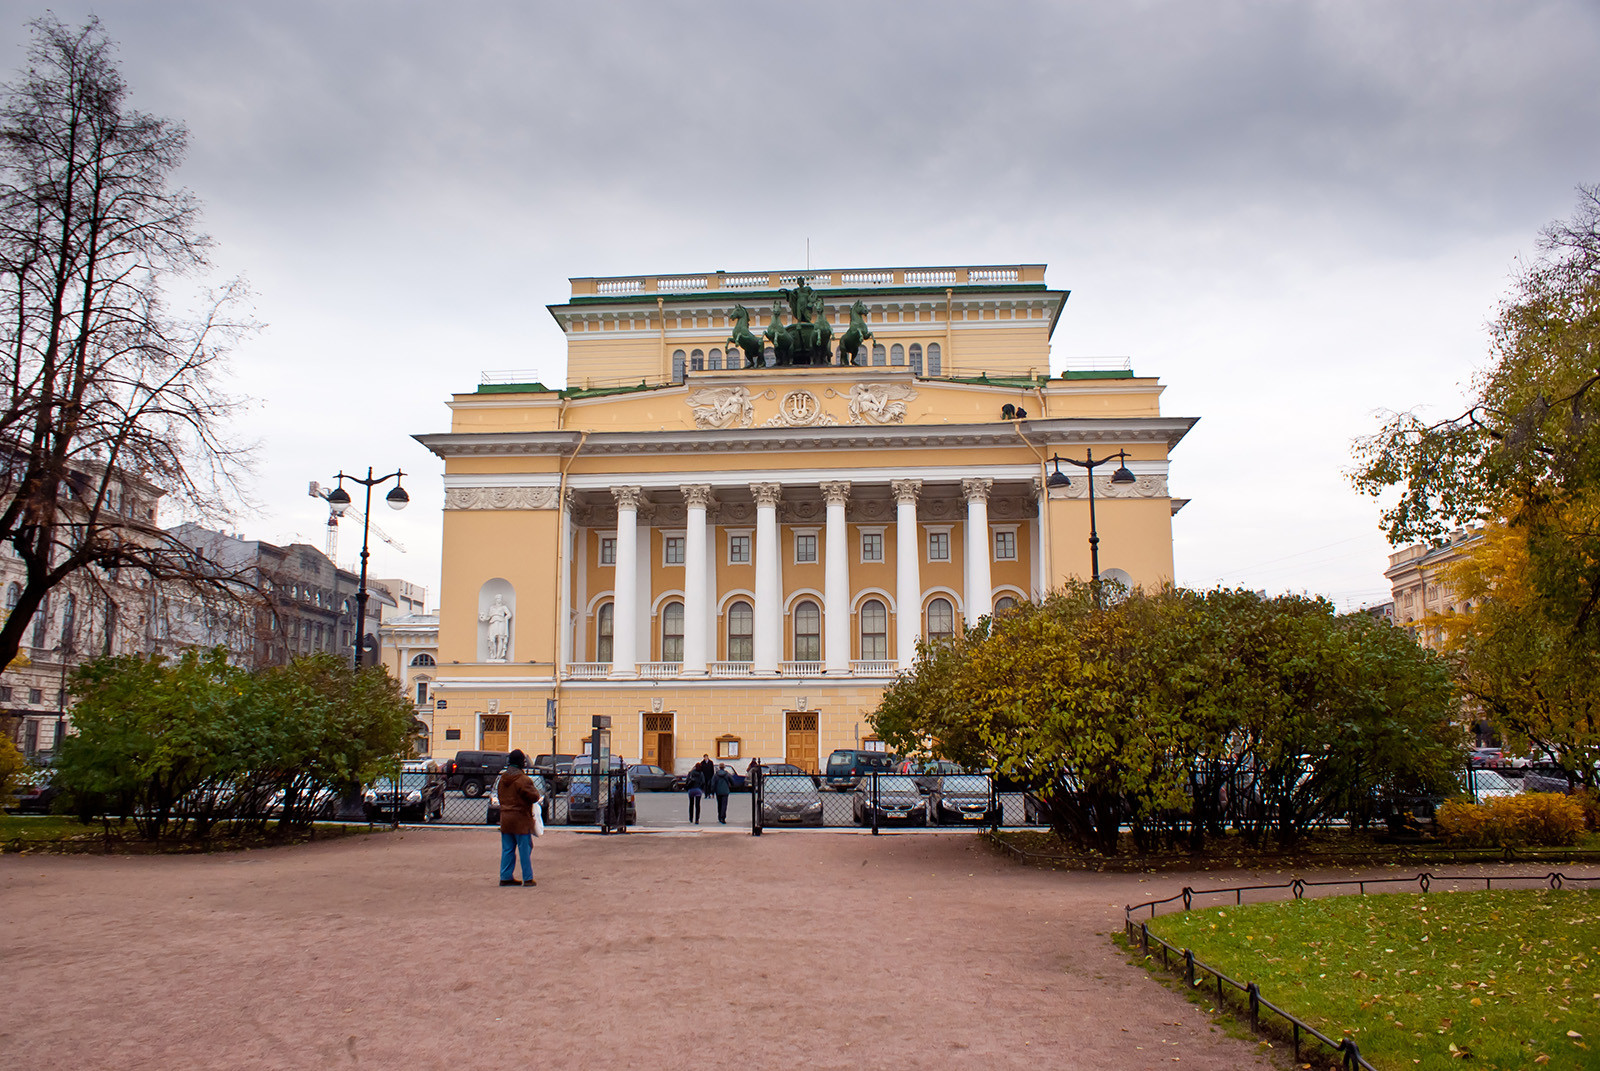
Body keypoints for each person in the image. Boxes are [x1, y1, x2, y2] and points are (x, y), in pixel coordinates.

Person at [496, 749, 542, 886]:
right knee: (524, 849)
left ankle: (505, 876)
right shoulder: (523, 780)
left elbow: (500, 796)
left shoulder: (502, 779)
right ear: (522, 762)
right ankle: (527, 878)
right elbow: (534, 797)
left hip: (505, 818)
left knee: (507, 849)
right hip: (521, 819)